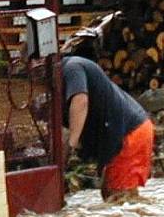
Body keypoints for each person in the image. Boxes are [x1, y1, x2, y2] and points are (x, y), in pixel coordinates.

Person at [60, 55, 155, 201]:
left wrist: (70, 145)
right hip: (127, 131)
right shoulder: (64, 76)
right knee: (111, 195)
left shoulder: (72, 68)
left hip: (131, 134)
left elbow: (80, 100)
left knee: (120, 199)